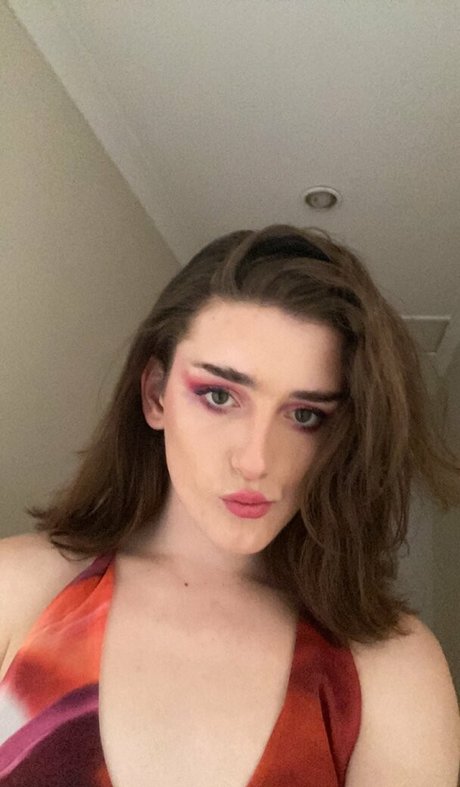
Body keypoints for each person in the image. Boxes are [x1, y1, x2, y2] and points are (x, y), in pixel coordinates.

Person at [0, 224, 459, 786]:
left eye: (306, 415)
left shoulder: (391, 668)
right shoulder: (16, 590)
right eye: (219, 396)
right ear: (155, 395)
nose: (256, 460)